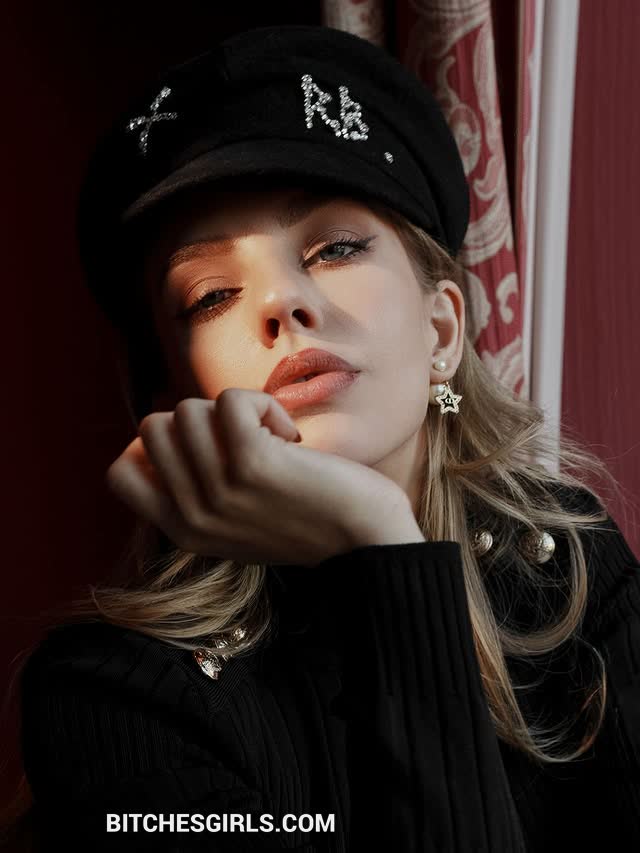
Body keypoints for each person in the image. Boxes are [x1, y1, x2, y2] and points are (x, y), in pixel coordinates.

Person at [4, 23, 640, 853]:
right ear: (173, 398)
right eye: (211, 296)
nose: (282, 304)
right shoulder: (113, 700)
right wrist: (379, 547)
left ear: (443, 329)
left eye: (335, 247)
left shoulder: (573, 576)